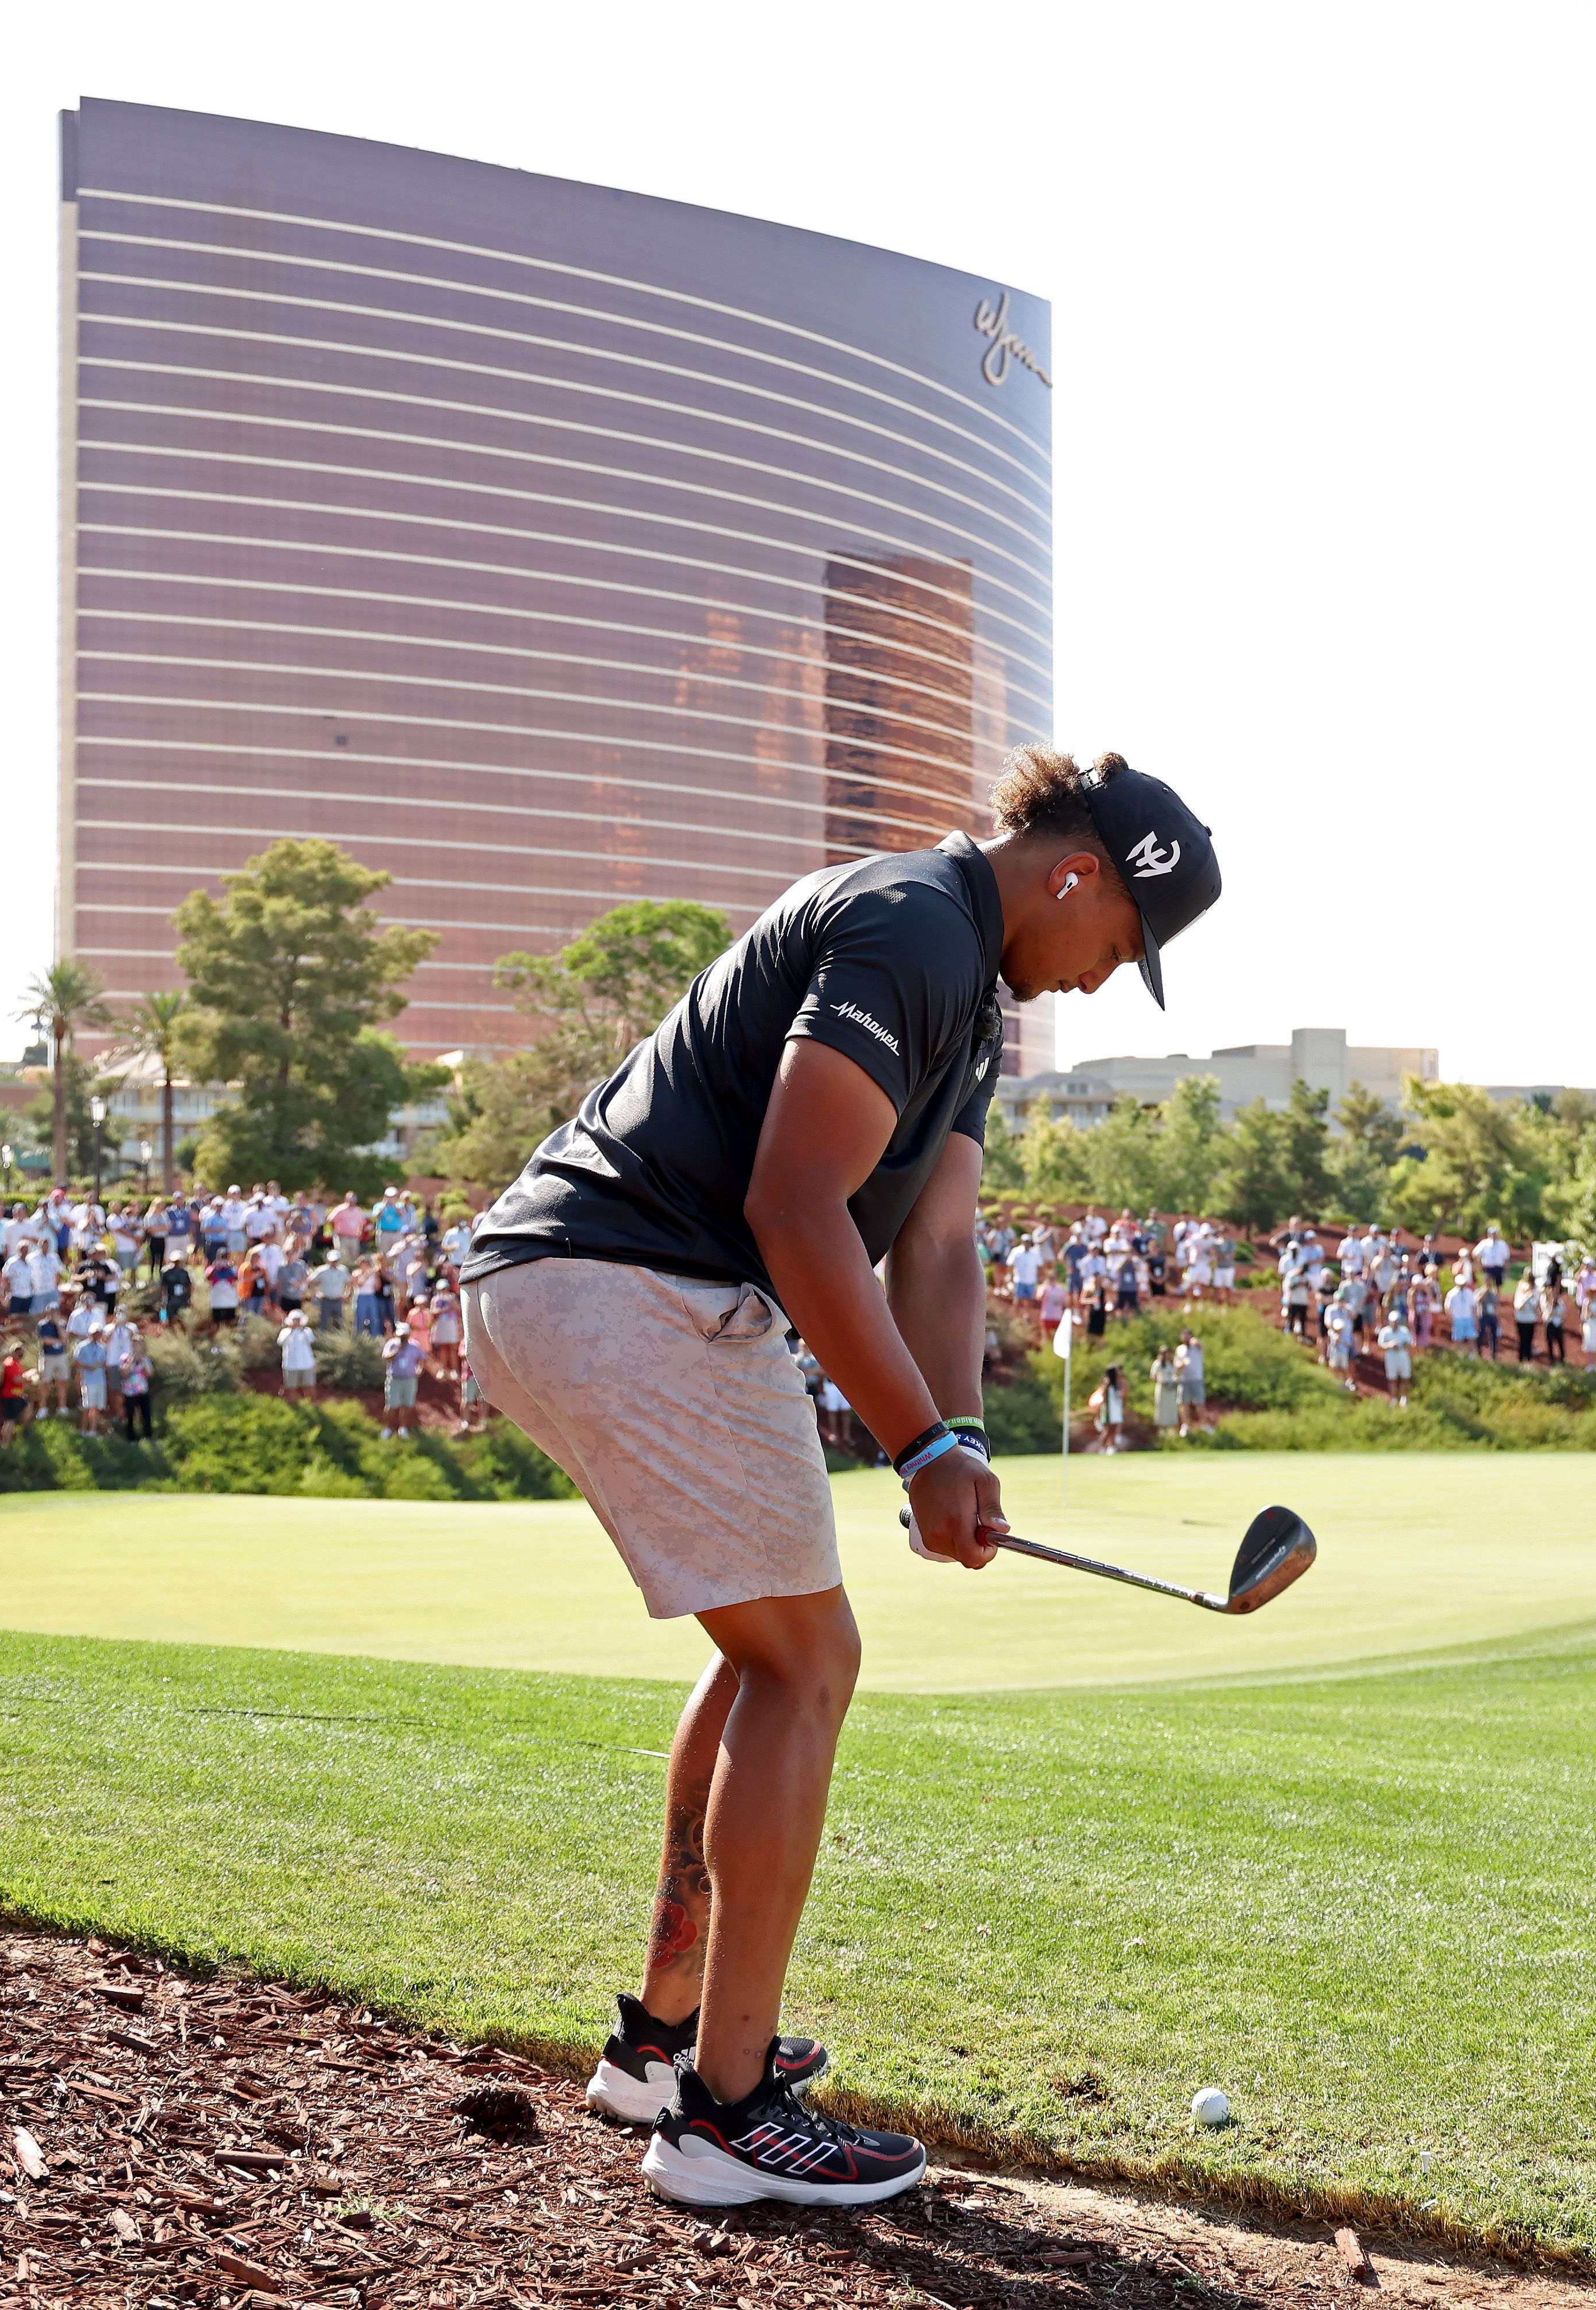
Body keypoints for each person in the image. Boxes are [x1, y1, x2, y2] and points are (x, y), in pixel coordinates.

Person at [458, 744, 1218, 2208]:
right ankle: (725, 2118)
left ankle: (661, 2045)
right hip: (630, 1280)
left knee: (770, 1649)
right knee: (813, 1657)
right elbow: (797, 1203)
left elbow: (936, 1240)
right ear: (1075, 873)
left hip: (611, 1283)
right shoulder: (916, 924)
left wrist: (961, 1435)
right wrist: (915, 1446)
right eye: (1124, 941)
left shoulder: (970, 996)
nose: (1109, 976)